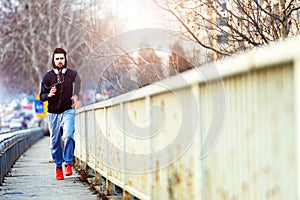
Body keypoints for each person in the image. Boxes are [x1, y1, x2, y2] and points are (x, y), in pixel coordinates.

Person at [40, 47, 81, 180]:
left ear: (65, 59)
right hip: (52, 113)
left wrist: (76, 95)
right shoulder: (48, 76)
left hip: (68, 110)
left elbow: (78, 81)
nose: (59, 61)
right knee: (55, 141)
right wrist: (48, 95)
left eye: (61, 58)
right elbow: (41, 96)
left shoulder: (71, 74)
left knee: (69, 135)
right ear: (53, 60)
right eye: (57, 59)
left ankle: (68, 163)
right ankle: (58, 166)